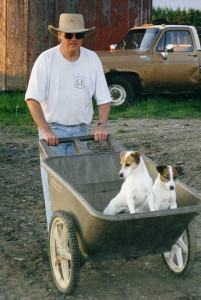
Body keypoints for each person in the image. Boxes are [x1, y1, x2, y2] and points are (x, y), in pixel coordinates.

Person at [25, 13, 111, 230]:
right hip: (53, 132)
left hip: (81, 131)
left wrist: (102, 125)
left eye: (79, 35)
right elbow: (32, 99)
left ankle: (80, 233)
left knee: (81, 185)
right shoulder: (46, 60)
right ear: (60, 35)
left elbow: (104, 98)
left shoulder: (92, 60)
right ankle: (57, 236)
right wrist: (45, 130)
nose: (74, 39)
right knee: (55, 188)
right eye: (69, 35)